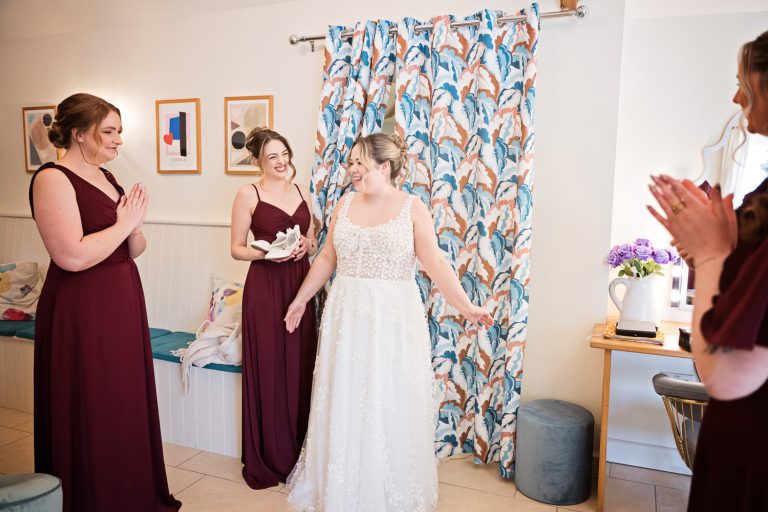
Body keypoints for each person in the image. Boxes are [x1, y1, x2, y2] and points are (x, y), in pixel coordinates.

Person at [283, 133, 494, 511]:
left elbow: (435, 265)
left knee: (386, 397)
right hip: (346, 314)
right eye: (350, 163)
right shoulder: (344, 204)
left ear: (385, 166)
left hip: (393, 319)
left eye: (360, 164)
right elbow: (328, 259)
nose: (352, 171)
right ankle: (341, 484)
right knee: (346, 395)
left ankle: (385, 487)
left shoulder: (413, 208)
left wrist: (467, 307)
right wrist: (301, 299)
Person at [29, 93, 181, 512]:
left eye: (119, 132)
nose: (118, 141)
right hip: (82, 308)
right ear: (79, 133)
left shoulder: (107, 177)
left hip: (122, 299)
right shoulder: (52, 179)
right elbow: (71, 255)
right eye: (109, 132)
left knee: (122, 399)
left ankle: (130, 493)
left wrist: (134, 226)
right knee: (92, 403)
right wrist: (124, 223)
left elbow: (134, 248)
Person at [648, 31, 768, 512]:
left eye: (746, 84)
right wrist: (710, 248)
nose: (737, 97)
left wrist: (713, 254)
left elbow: (728, 375)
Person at [230, 127, 318, 489]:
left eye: (284, 154)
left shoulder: (302, 190)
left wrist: (306, 246)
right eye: (272, 157)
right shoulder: (247, 193)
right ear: (258, 161)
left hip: (301, 282)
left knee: (299, 365)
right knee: (269, 365)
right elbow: (236, 247)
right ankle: (269, 455)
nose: (282, 162)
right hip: (266, 287)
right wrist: (266, 251)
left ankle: (299, 453)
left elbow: (312, 236)